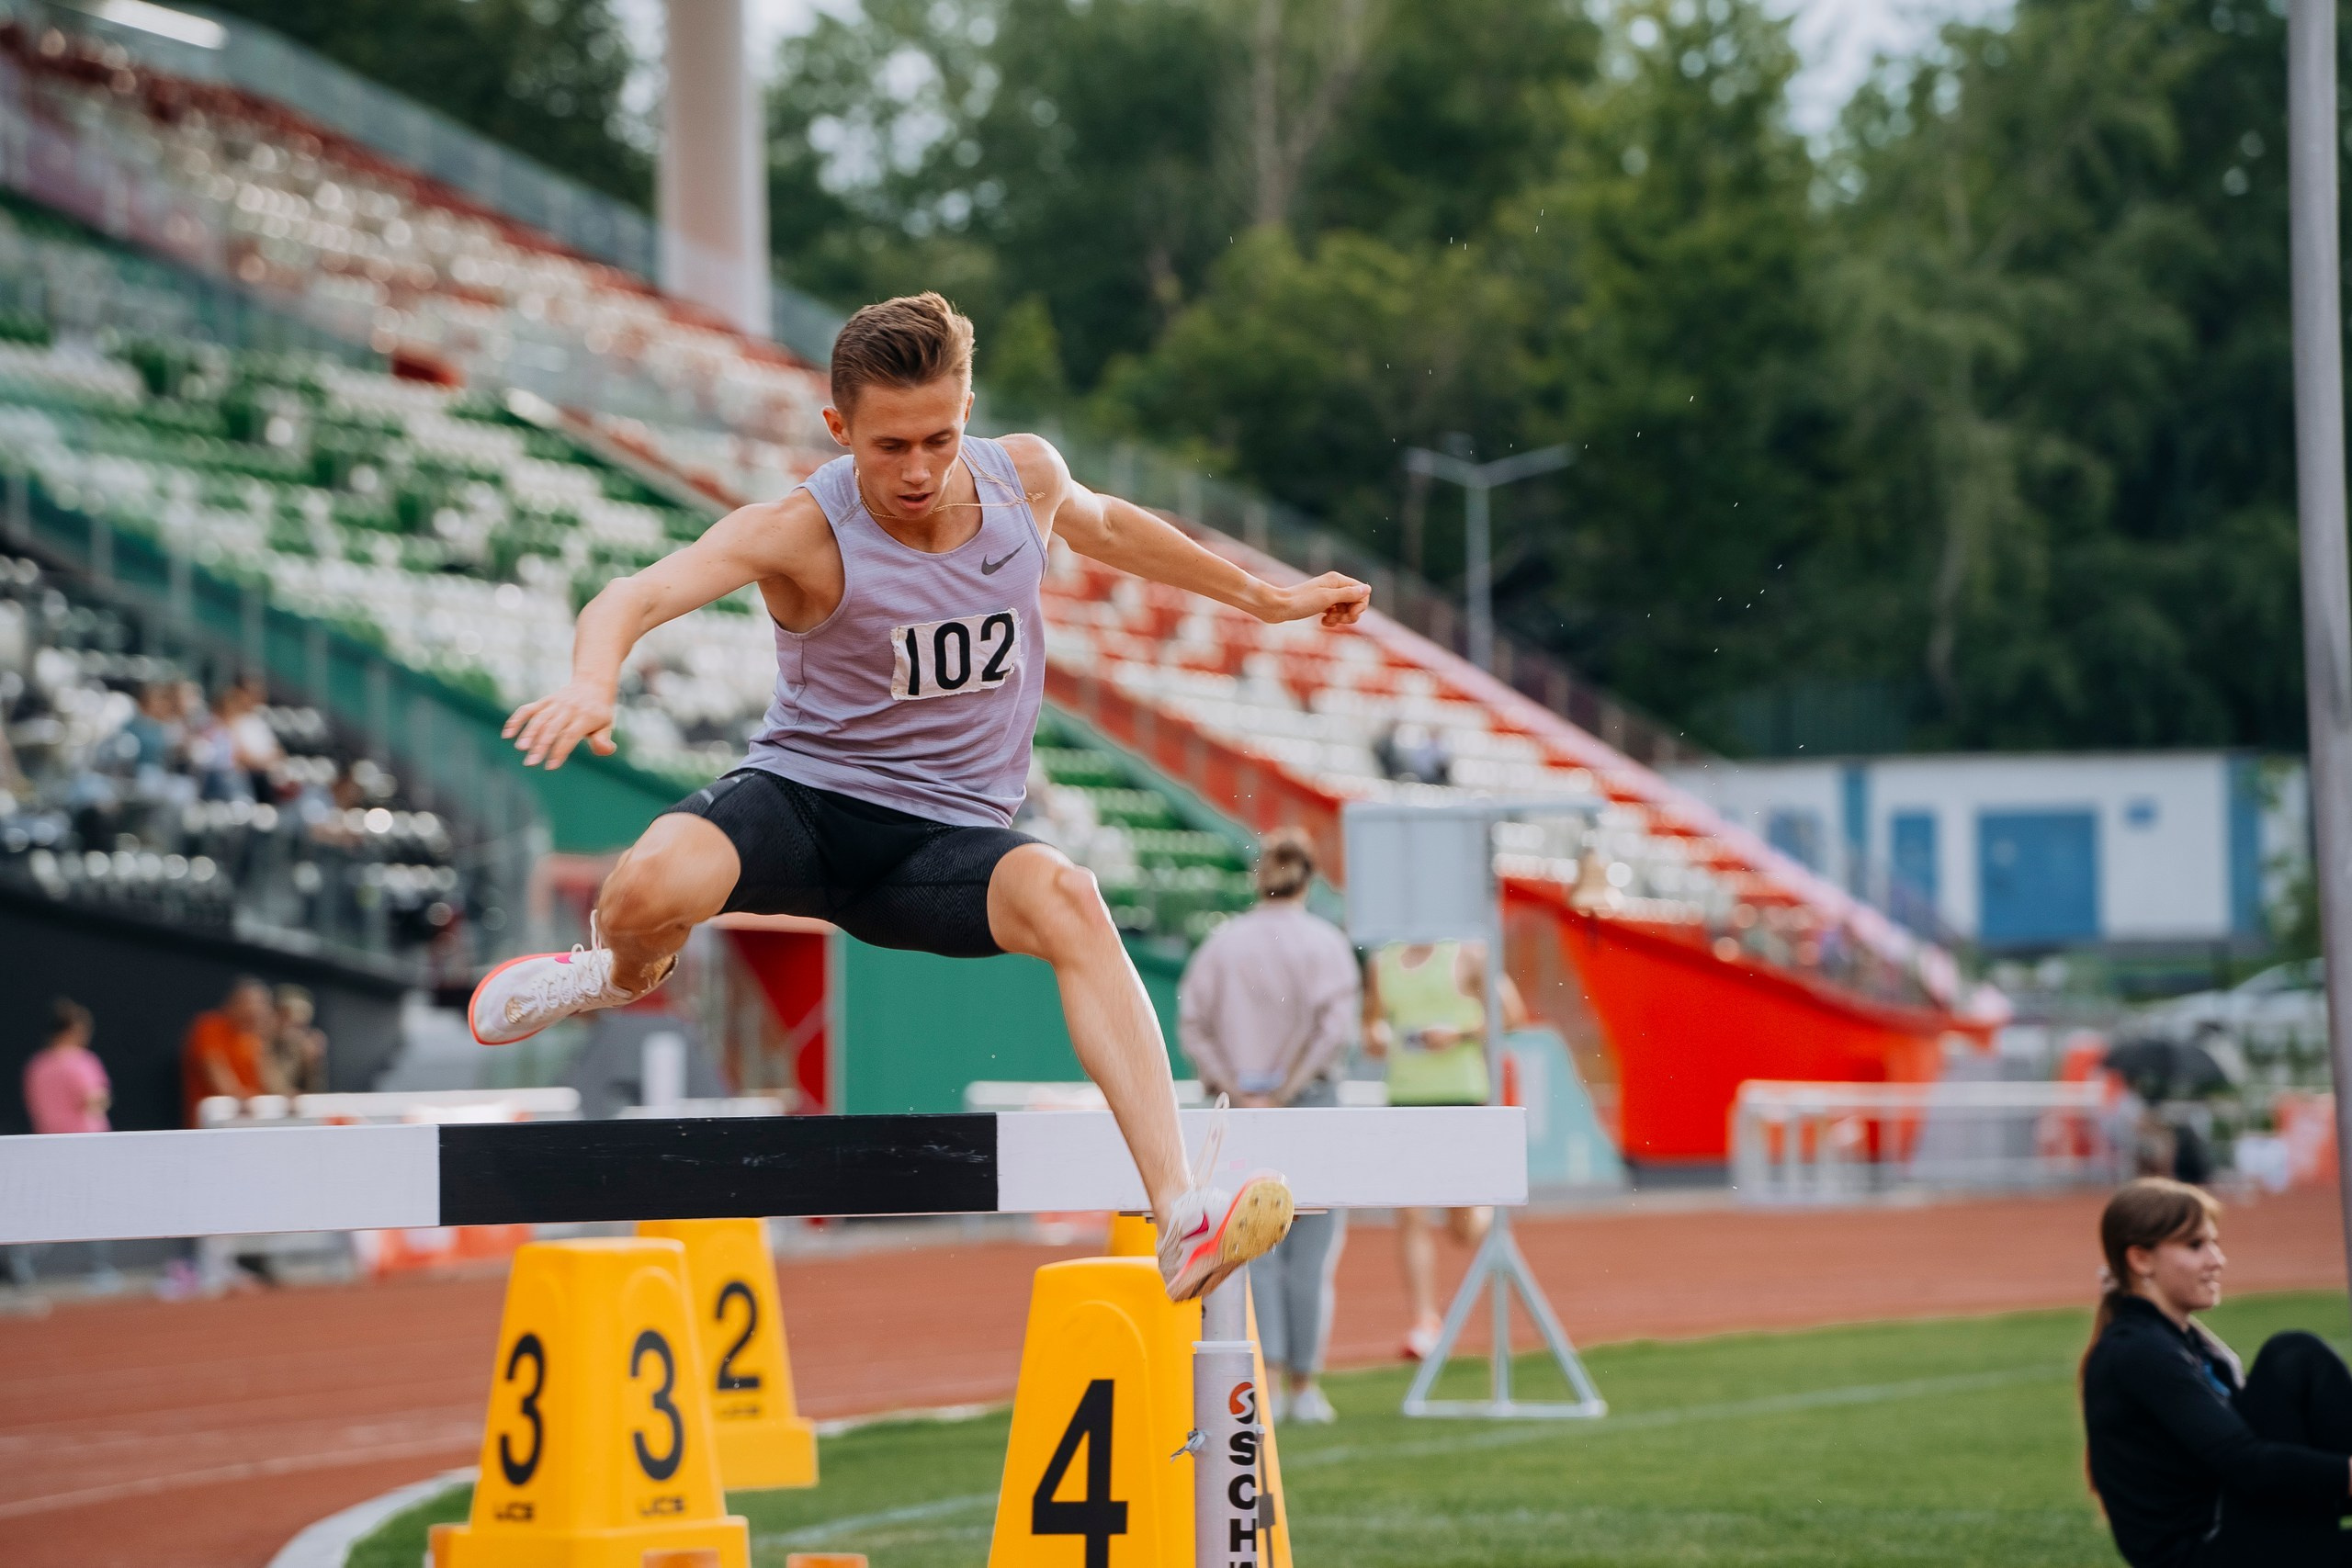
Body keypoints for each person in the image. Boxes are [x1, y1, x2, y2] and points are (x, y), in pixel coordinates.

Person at [469, 293, 1370, 1303]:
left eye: (939, 438)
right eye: (888, 445)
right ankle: (615, 974)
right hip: (805, 805)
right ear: (838, 428)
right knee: (644, 886)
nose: (916, 471)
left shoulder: (1022, 476)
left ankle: (1180, 1218)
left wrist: (1268, 598)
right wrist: (594, 680)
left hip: (943, 843)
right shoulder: (801, 531)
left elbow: (1109, 525)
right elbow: (633, 595)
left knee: (1072, 898)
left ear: (969, 410)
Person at [1179, 828, 1360, 1423]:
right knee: (1309, 1255)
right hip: (1307, 1107)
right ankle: (1303, 1386)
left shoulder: (1222, 944)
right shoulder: (1326, 943)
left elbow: (1192, 1023)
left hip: (1237, 1114)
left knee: (1244, 1249)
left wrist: (1235, 1085)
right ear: (1308, 878)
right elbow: (1335, 1029)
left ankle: (1261, 1381)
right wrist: (1284, 1088)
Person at [2081, 1177, 2352, 1567]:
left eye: (2214, 1243)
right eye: (2195, 1246)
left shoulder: (2179, 1341)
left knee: (2295, 1356)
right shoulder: (2138, 1350)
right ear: (2141, 1259)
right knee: (2292, 1355)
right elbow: (2248, 1464)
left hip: (2239, 1529)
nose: (2217, 1260)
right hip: (2203, 1552)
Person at [1363, 935, 1528, 1359]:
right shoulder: (1385, 963)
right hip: (1405, 1097)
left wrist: (1457, 1033)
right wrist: (1378, 1038)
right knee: (1411, 1212)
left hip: (1460, 1095)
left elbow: (1512, 1014)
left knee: (1462, 1226)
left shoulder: (1468, 954)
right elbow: (1371, 1026)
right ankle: (1424, 1321)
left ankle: (1484, 1212)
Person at [16, 998, 117, 1290]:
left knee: (52, 1207)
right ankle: (99, 1269)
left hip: (48, 1145)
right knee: (95, 1206)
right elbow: (94, 1100)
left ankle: (23, 1256)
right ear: (73, 1029)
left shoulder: (36, 1066)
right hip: (86, 1145)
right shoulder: (83, 1062)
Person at [182, 976, 273, 1126]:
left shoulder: (254, 1039)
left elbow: (268, 1084)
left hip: (248, 1125)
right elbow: (218, 1076)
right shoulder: (210, 1027)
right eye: (252, 1002)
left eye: (263, 1003)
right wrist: (244, 1097)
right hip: (210, 1128)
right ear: (233, 1003)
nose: (257, 1010)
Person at [267, 984, 327, 1097]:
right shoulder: (259, 1042)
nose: (296, 1031)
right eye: (290, 1021)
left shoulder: (300, 1048)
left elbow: (315, 1095)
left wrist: (314, 1065)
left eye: (301, 1026)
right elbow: (272, 1087)